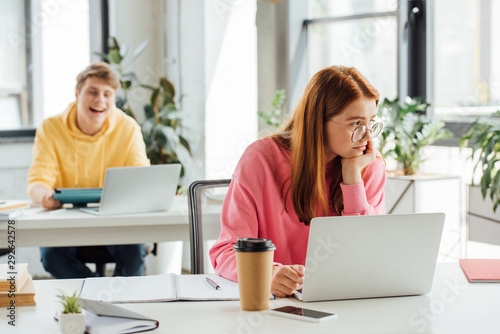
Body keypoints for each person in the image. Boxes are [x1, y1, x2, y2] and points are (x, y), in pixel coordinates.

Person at [209, 65, 386, 297]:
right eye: (355, 124)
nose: (367, 136)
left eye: (371, 122)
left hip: (345, 300)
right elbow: (226, 251)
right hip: (277, 305)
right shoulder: (261, 159)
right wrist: (266, 274)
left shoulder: (367, 165)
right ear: (318, 121)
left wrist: (352, 180)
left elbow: (370, 253)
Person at [27, 61, 150, 279]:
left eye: (107, 94)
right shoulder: (51, 128)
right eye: (92, 92)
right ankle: (100, 296)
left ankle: (119, 300)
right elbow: (38, 182)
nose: (99, 100)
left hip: (116, 219)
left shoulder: (128, 128)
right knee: (52, 256)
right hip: (67, 220)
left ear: (113, 99)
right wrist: (44, 196)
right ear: (77, 93)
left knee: (134, 254)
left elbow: (141, 180)